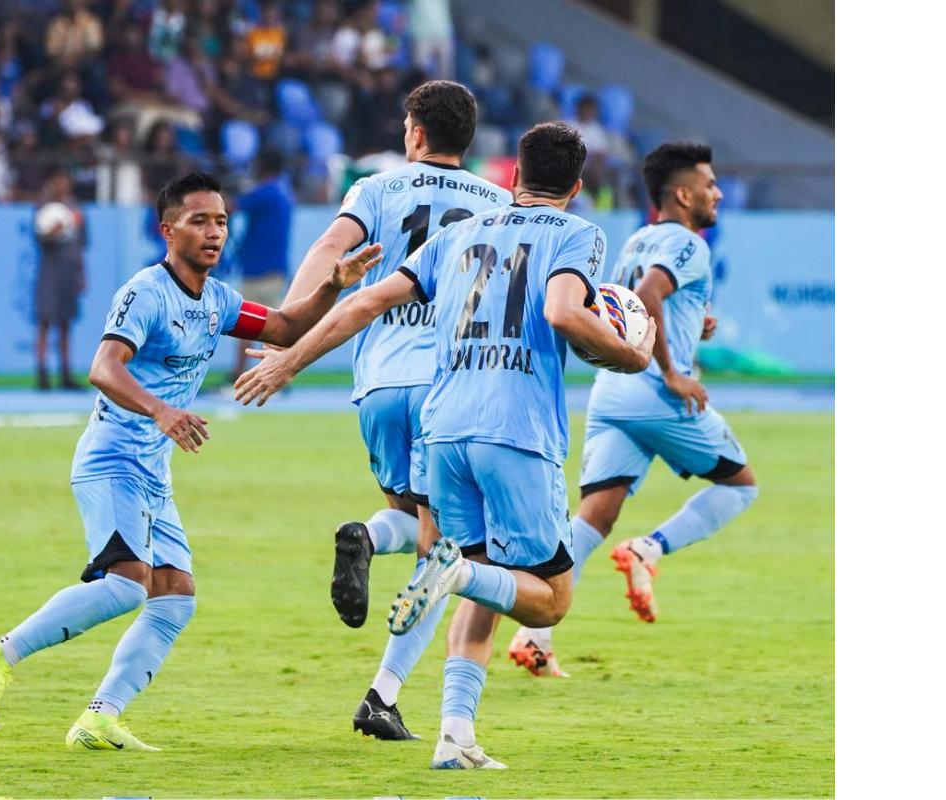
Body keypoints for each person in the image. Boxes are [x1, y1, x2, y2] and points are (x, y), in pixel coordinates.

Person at [236, 122, 656, 768]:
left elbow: (367, 302)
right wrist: (627, 354)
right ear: (575, 187)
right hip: (515, 429)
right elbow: (563, 313)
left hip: (445, 426)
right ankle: (449, 572)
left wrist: (290, 360)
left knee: (483, 579)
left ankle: (454, 738)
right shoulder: (578, 233)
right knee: (550, 597)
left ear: (512, 176)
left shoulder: (456, 235)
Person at [0, 172, 383, 751]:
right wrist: (161, 411)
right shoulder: (144, 292)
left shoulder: (217, 299)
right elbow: (104, 368)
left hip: (153, 472)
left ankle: (101, 717)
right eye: (200, 220)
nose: (214, 232)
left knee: (175, 596)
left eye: (222, 221)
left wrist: (334, 285)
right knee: (127, 587)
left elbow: (285, 328)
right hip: (112, 461)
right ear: (167, 229)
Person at [278, 79, 510, 742]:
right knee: (448, 550)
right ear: (467, 138)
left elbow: (331, 251)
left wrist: (294, 321)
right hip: (452, 386)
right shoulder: (496, 204)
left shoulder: (377, 189)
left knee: (419, 527)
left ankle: (372, 542)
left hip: (380, 383)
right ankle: (382, 693)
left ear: (414, 133)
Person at [508, 143, 758, 671]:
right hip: (657, 394)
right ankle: (650, 548)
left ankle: (536, 638)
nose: (717, 193)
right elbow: (648, 296)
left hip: (612, 391)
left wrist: (695, 324)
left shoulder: (637, 240)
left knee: (594, 516)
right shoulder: (688, 244)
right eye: (709, 185)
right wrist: (674, 371)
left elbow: (627, 306)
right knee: (741, 485)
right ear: (684, 194)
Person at [229, 149, 294, 382]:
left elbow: (232, 206)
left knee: (246, 325)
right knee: (275, 328)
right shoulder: (282, 192)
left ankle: (238, 374)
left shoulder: (266, 192)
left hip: (258, 269)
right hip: (274, 268)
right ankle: (276, 375)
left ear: (263, 165)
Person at [33, 168, 86, 390]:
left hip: (69, 270)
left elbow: (81, 245)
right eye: (58, 180)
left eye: (65, 180)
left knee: (66, 323)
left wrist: (82, 274)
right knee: (45, 321)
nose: (62, 184)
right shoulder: (45, 208)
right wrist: (53, 231)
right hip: (50, 269)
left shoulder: (75, 209)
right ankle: (42, 374)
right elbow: (39, 237)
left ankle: (65, 373)